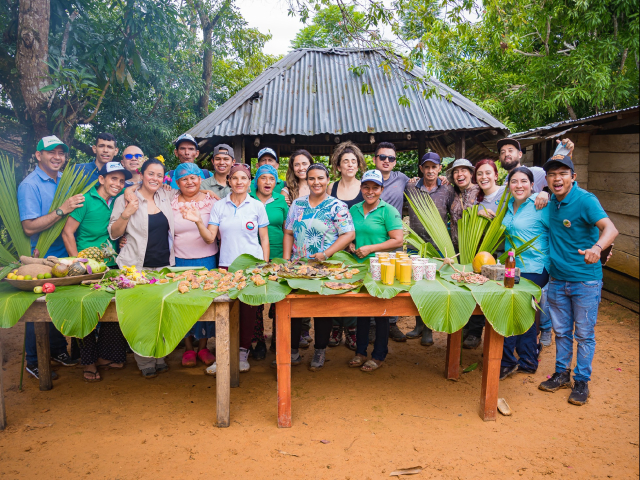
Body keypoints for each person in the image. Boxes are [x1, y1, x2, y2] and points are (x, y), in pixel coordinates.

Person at [538, 154, 618, 406]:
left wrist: (598, 247)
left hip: (585, 281)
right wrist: (542, 193)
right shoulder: (550, 202)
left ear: (573, 177)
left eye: (563, 173)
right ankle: (561, 374)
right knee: (561, 331)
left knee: (584, 334)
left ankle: (581, 381)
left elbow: (611, 229)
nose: (557, 178)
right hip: (557, 280)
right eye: (552, 174)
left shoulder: (585, 200)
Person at [182, 163, 270, 376]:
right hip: (226, 267)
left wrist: (263, 266)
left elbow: (264, 238)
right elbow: (210, 237)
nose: (239, 182)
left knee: (249, 313)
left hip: (251, 267)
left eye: (244, 178)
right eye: (235, 178)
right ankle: (222, 355)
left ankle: (242, 354)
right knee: (225, 312)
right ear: (228, 181)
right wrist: (197, 223)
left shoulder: (257, 206)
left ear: (249, 182)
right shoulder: (219, 206)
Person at [18, 135, 83, 379]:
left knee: (56, 305)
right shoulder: (30, 184)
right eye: (51, 153)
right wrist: (61, 210)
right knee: (37, 308)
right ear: (38, 155)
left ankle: (57, 350)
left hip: (62, 253)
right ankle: (34, 361)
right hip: (39, 256)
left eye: (61, 153)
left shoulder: (62, 182)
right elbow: (29, 226)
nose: (57, 157)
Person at [61, 162, 132, 382]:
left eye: (121, 180)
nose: (118, 184)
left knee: (113, 310)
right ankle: (89, 362)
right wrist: (78, 265)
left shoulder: (119, 200)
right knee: (87, 312)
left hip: (111, 263)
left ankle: (107, 356)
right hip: (86, 267)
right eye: (113, 179)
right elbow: (67, 233)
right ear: (101, 179)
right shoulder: (85, 200)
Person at [282, 163, 355, 371]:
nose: (316, 182)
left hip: (325, 267)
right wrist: (287, 260)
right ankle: (293, 350)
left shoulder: (337, 206)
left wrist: (326, 253)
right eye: (312, 178)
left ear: (327, 180)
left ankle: (320, 350)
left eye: (320, 178)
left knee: (321, 311)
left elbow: (349, 234)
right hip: (297, 266)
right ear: (307, 180)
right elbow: (288, 232)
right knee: (295, 309)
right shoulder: (297, 204)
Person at [108, 158, 175, 378]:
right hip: (135, 267)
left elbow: (190, 189)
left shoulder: (166, 195)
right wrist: (127, 212)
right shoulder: (125, 199)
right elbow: (114, 234)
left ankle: (160, 355)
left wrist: (210, 193)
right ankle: (144, 360)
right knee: (140, 316)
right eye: (150, 174)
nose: (155, 178)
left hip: (164, 266)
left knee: (162, 314)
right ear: (142, 174)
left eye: (159, 175)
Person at [348, 169, 403, 371]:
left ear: (381, 189)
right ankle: (361, 352)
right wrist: (351, 245)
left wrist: (370, 248)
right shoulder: (353, 210)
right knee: (361, 311)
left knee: (381, 312)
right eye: (366, 187)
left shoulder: (388, 210)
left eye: (375, 187)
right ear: (361, 188)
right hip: (359, 267)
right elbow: (349, 234)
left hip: (382, 267)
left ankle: (379, 354)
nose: (370, 191)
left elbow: (398, 239)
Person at [499, 167, 550, 380]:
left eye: (523, 181)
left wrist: (546, 192)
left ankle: (508, 360)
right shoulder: (508, 207)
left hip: (536, 267)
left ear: (532, 185)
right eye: (514, 181)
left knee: (511, 307)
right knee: (523, 311)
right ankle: (527, 359)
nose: (518, 185)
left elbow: (563, 227)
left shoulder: (541, 205)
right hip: (513, 267)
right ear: (508, 185)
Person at [170, 163, 218, 368]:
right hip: (179, 261)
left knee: (205, 302)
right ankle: (188, 347)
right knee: (183, 304)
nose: (189, 182)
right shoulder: (170, 202)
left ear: (200, 179)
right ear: (177, 182)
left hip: (206, 260)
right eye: (184, 179)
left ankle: (203, 347)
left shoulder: (213, 201)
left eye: (194, 177)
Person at [404, 152, 455, 345]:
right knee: (417, 287)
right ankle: (418, 325)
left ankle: (428, 329)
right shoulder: (410, 187)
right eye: (427, 167)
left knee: (433, 288)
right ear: (421, 169)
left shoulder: (447, 190)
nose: (430, 170)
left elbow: (454, 213)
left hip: (438, 247)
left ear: (440, 169)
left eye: (434, 167)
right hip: (415, 245)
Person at [326, 141, 367, 349]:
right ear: (338, 166)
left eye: (354, 161)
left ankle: (351, 331)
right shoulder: (330, 187)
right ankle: (335, 327)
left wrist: (354, 242)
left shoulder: (365, 187)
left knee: (352, 289)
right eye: (345, 161)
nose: (350, 165)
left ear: (359, 165)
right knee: (333, 287)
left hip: (358, 247)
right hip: (334, 246)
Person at [249, 164, 289, 359]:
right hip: (253, 255)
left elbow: (287, 229)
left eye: (271, 179)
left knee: (277, 299)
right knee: (256, 300)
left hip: (278, 254)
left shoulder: (281, 200)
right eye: (263, 178)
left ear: (276, 182)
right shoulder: (248, 199)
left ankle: (276, 341)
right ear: (256, 180)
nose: (267, 182)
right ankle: (258, 342)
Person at [445, 158, 486, 349]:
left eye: (464, 171)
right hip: (457, 250)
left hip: (478, 251)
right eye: (456, 172)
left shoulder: (481, 192)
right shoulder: (454, 194)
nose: (460, 174)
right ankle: (466, 326)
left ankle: (475, 331)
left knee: (476, 289)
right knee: (462, 288)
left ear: (471, 173)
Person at [374, 142, 410, 342]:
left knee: (393, 283)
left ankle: (391, 323)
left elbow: (421, 185)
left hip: (393, 239)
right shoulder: (367, 179)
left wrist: (442, 179)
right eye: (383, 157)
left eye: (391, 158)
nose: (387, 161)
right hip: (370, 237)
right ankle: (372, 324)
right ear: (374, 159)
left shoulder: (403, 179)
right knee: (373, 280)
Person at [280, 149, 314, 348]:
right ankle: (299, 332)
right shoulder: (287, 191)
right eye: (297, 165)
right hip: (294, 243)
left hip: (317, 244)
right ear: (292, 168)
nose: (301, 168)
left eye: (305, 163)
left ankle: (307, 329)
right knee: (297, 289)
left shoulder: (318, 185)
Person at [497, 137, 572, 198]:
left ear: (520, 154)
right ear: (500, 158)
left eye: (510, 150)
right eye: (503, 152)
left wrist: (566, 155)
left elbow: (560, 180)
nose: (506, 154)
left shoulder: (535, 172)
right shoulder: (505, 183)